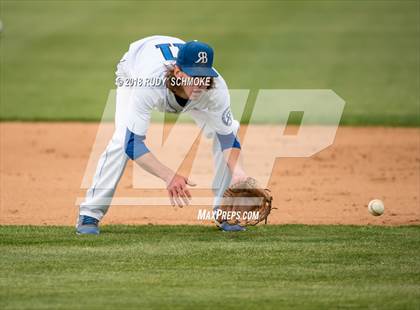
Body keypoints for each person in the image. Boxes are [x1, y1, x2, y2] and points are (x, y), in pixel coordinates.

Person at [76, 35, 248, 234]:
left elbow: (227, 138)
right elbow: (133, 144)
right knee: (123, 136)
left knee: (230, 128)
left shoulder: (215, 87)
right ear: (177, 72)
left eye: (205, 75)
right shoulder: (148, 83)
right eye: (194, 75)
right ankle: (90, 214)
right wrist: (169, 176)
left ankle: (224, 211)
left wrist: (239, 174)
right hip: (133, 68)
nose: (201, 82)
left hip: (167, 72)